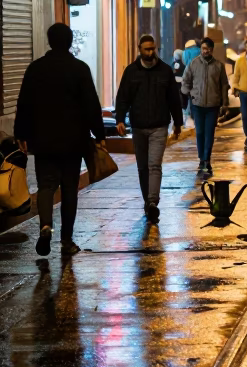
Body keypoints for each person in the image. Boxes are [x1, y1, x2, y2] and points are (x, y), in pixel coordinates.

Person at [14, 21, 106, 257]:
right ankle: (66, 239)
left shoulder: (35, 69)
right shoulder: (79, 69)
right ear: (70, 42)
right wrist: (100, 134)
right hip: (73, 141)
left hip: (42, 140)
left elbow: (23, 104)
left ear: (49, 41)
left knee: (45, 185)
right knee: (68, 188)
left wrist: (20, 134)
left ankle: (46, 225)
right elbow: (91, 105)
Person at [115, 34, 183, 223]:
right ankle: (148, 202)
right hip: (138, 127)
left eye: (153, 48)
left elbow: (173, 99)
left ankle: (153, 202)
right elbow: (122, 98)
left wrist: (178, 122)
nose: (150, 52)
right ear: (139, 49)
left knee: (154, 166)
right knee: (143, 167)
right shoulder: (131, 72)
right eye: (147, 49)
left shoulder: (165, 71)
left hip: (159, 126)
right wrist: (120, 119)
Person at [181, 37, 229, 175]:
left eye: (208, 49)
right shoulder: (194, 64)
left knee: (209, 134)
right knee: (200, 133)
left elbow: (224, 85)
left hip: (213, 106)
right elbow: (186, 80)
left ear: (212, 50)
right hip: (197, 104)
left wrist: (224, 103)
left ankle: (206, 160)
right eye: (203, 48)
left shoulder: (219, 66)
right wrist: (186, 93)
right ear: (200, 49)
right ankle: (201, 159)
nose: (205, 51)